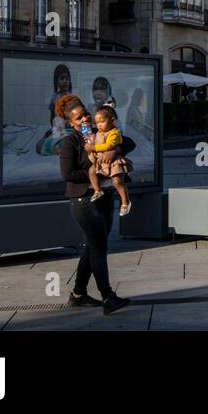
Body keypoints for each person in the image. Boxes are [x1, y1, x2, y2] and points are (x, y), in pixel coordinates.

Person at [57, 94, 132, 314]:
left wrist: (113, 147)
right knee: (99, 248)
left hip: (105, 197)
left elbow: (128, 143)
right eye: (79, 118)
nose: (85, 120)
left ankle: (78, 294)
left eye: (86, 115)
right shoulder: (70, 142)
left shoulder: (102, 133)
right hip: (83, 200)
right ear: (71, 123)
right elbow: (67, 173)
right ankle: (108, 297)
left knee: (91, 247)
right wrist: (96, 175)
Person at [87, 103, 133, 216]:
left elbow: (108, 146)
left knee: (117, 181)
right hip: (101, 162)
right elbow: (95, 142)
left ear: (112, 120)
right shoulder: (98, 133)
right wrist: (91, 143)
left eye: (102, 121)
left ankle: (125, 201)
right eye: (97, 122)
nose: (99, 125)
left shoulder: (114, 133)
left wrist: (93, 147)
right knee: (91, 171)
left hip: (114, 162)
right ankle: (97, 190)